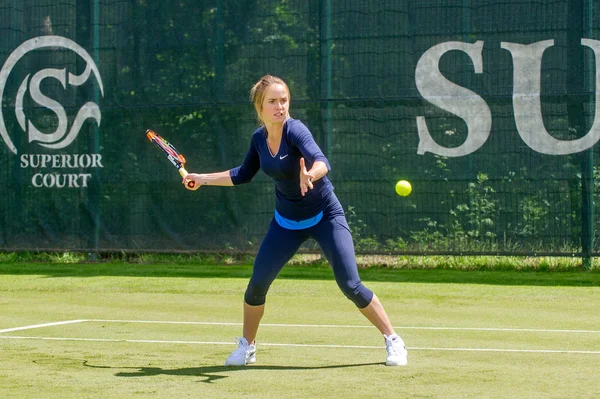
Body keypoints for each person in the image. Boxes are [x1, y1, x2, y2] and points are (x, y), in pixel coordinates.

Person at [183, 75, 408, 367]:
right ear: (260, 108)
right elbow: (242, 174)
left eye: (284, 100)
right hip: (286, 223)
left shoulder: (296, 130)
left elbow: (321, 161)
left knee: (350, 284)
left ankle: (393, 341)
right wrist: (201, 179)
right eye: (272, 102)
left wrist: (310, 175)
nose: (280, 107)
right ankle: (247, 347)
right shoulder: (258, 139)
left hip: (325, 215)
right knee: (256, 285)